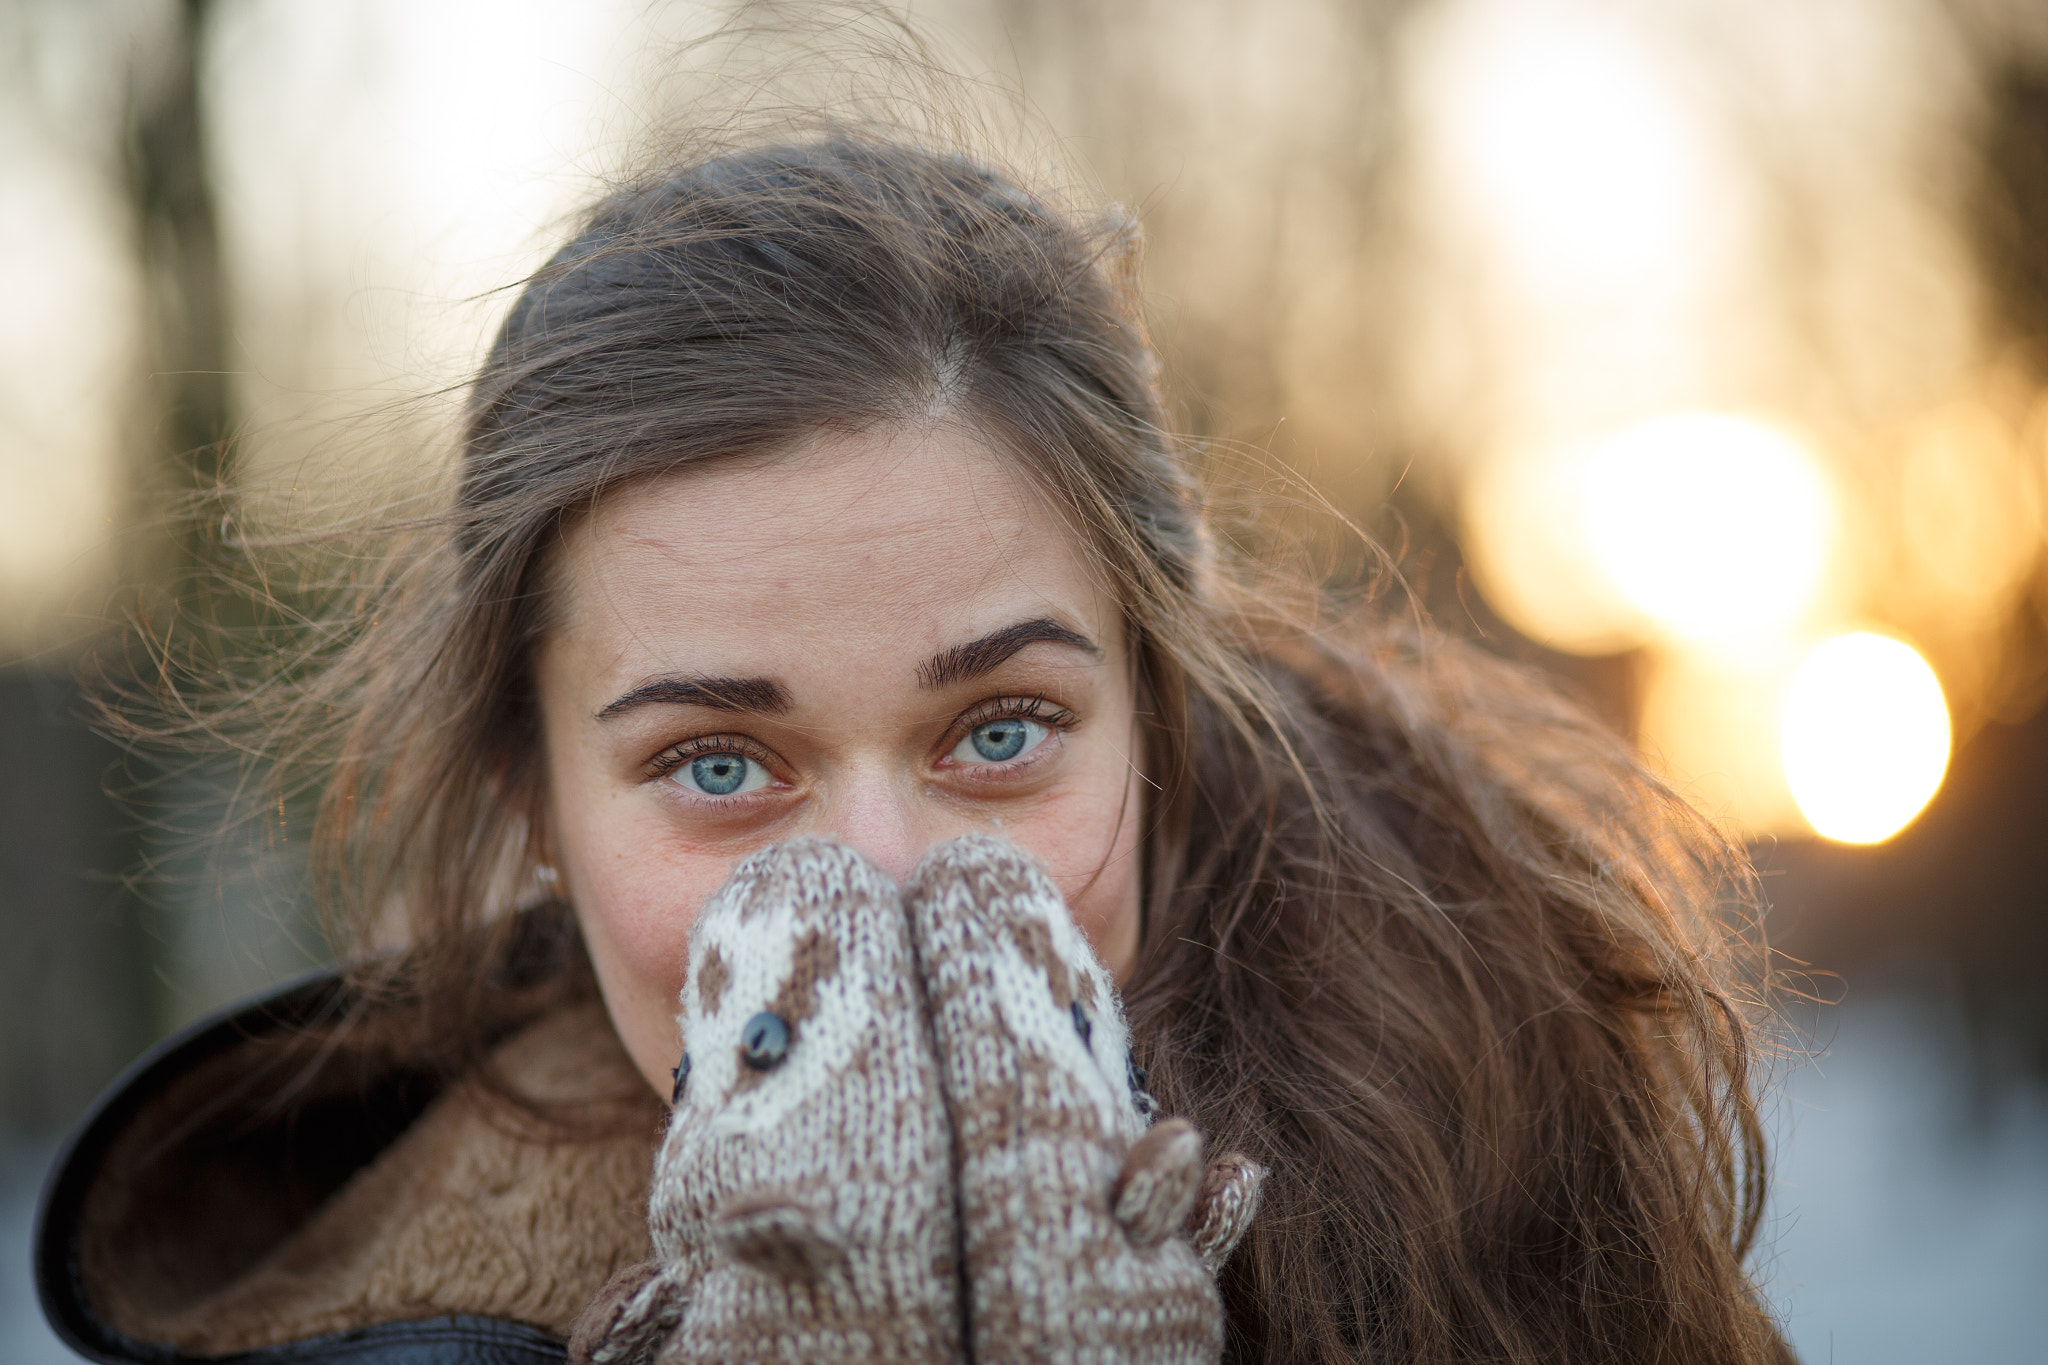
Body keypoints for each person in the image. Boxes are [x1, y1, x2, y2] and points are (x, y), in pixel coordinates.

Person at [37, 129, 1791, 1365]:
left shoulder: (1534, 1209)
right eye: (721, 763)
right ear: (541, 811)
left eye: (1003, 729)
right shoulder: (393, 1323)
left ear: (1158, 742)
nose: (882, 872)